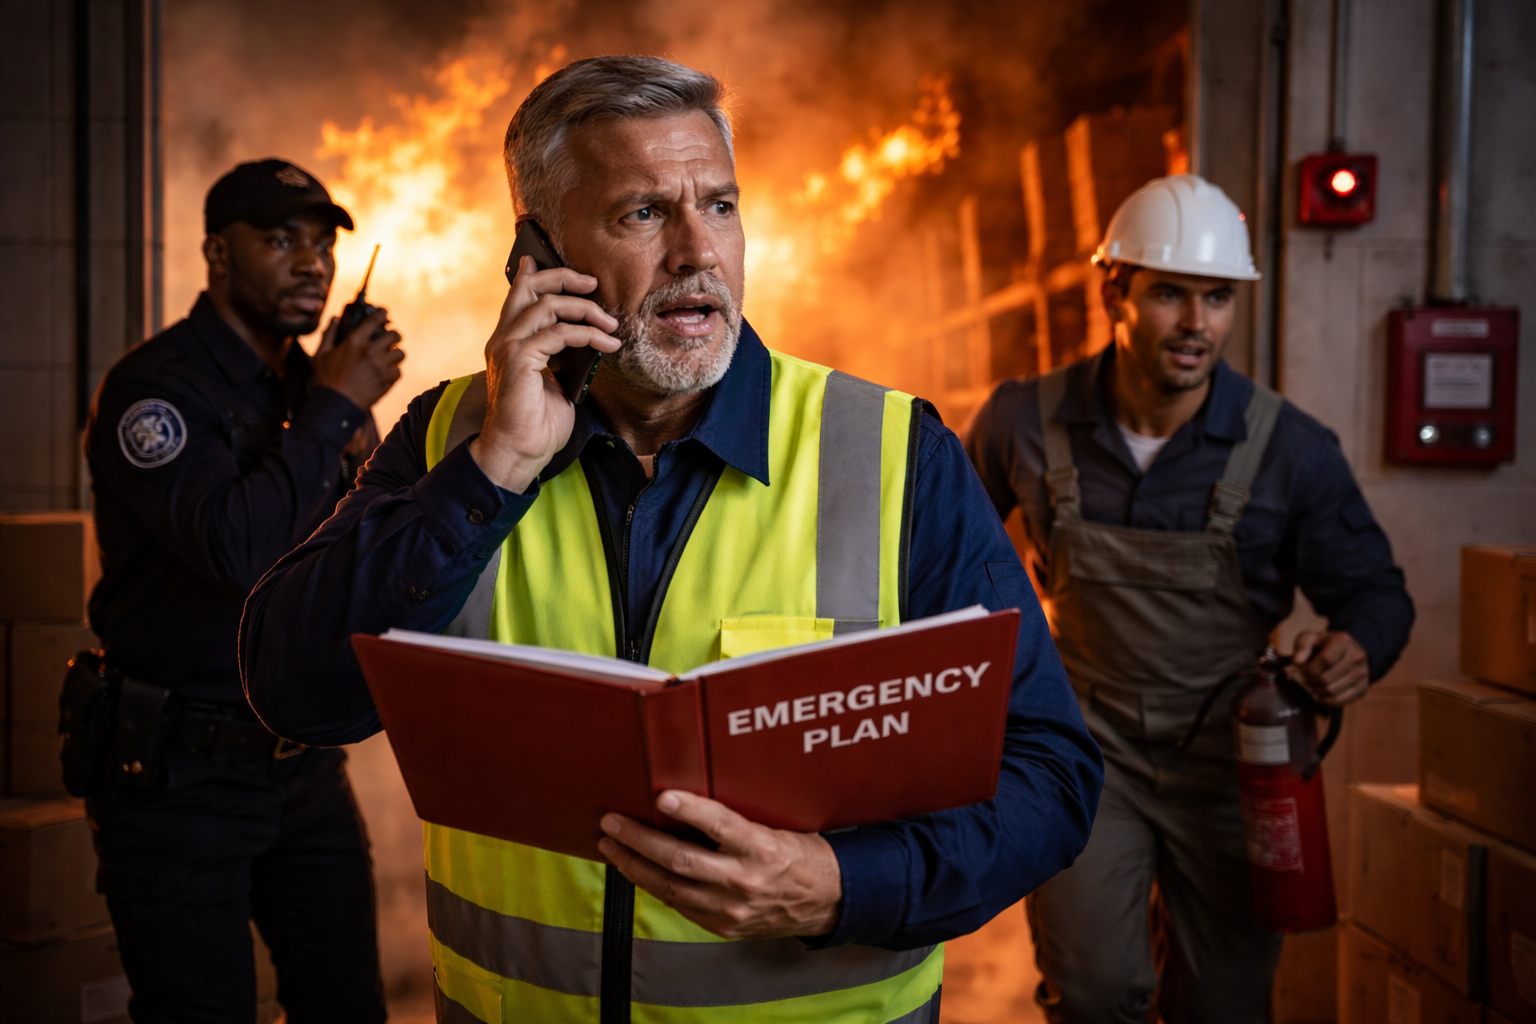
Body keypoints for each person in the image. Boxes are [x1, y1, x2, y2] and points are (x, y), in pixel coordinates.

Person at [240, 56, 1103, 1024]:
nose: (700, 251)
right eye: (644, 213)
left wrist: (843, 884)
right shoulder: (453, 441)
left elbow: (1051, 773)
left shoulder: (896, 453)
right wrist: (494, 472)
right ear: (537, 253)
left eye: (722, 206)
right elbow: (296, 692)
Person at [964, 173, 1415, 1023]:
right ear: (1115, 292)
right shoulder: (1023, 420)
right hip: (1080, 752)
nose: (1196, 323)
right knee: (1095, 992)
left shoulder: (1291, 448)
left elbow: (1376, 595)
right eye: (1170, 293)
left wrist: (1358, 648)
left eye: (1217, 297)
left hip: (1236, 761)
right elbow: (936, 559)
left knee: (1224, 1005)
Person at [84, 159, 404, 1022]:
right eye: (280, 240)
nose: (312, 263)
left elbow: (355, 564)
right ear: (217, 255)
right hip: (181, 775)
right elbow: (238, 549)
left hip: (300, 762)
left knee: (347, 1007)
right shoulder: (155, 389)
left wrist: (359, 448)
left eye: (322, 243)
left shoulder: (315, 383)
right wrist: (335, 410)